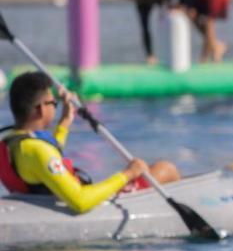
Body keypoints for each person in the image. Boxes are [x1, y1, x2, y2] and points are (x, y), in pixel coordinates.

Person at [1, 71, 181, 211]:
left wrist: (64, 122)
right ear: (40, 109)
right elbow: (80, 201)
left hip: (42, 202)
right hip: (87, 206)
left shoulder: (12, 141)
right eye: (53, 103)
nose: (55, 107)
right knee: (165, 169)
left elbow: (41, 166)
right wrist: (128, 173)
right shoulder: (36, 151)